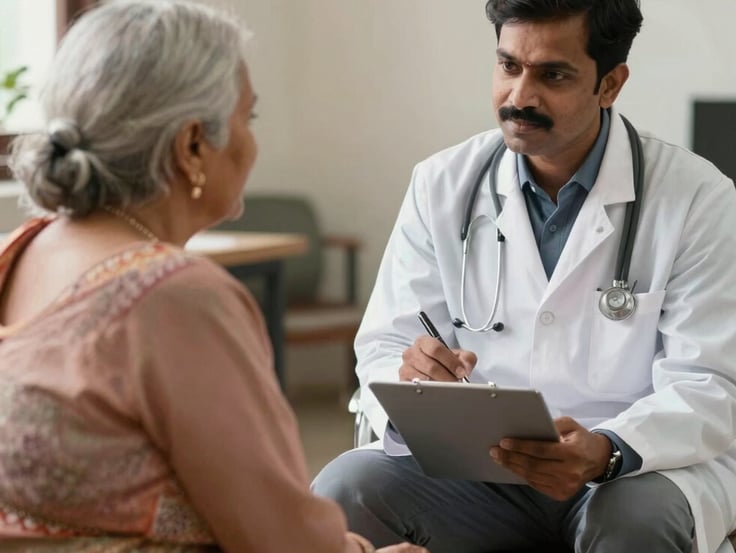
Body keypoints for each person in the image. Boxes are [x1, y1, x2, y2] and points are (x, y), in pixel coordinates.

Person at [312, 1, 736, 552]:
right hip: (482, 472)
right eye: (508, 66)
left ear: (610, 84)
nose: (520, 96)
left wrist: (607, 448)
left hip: (638, 469)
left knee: (630, 526)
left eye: (553, 74)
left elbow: (711, 381)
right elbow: (386, 342)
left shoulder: (692, 195)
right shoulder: (441, 185)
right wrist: (417, 381)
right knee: (343, 491)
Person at [0, 2, 429, 552]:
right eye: (246, 119)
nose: (252, 143)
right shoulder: (173, 297)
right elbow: (277, 539)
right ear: (192, 146)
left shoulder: (23, 249)